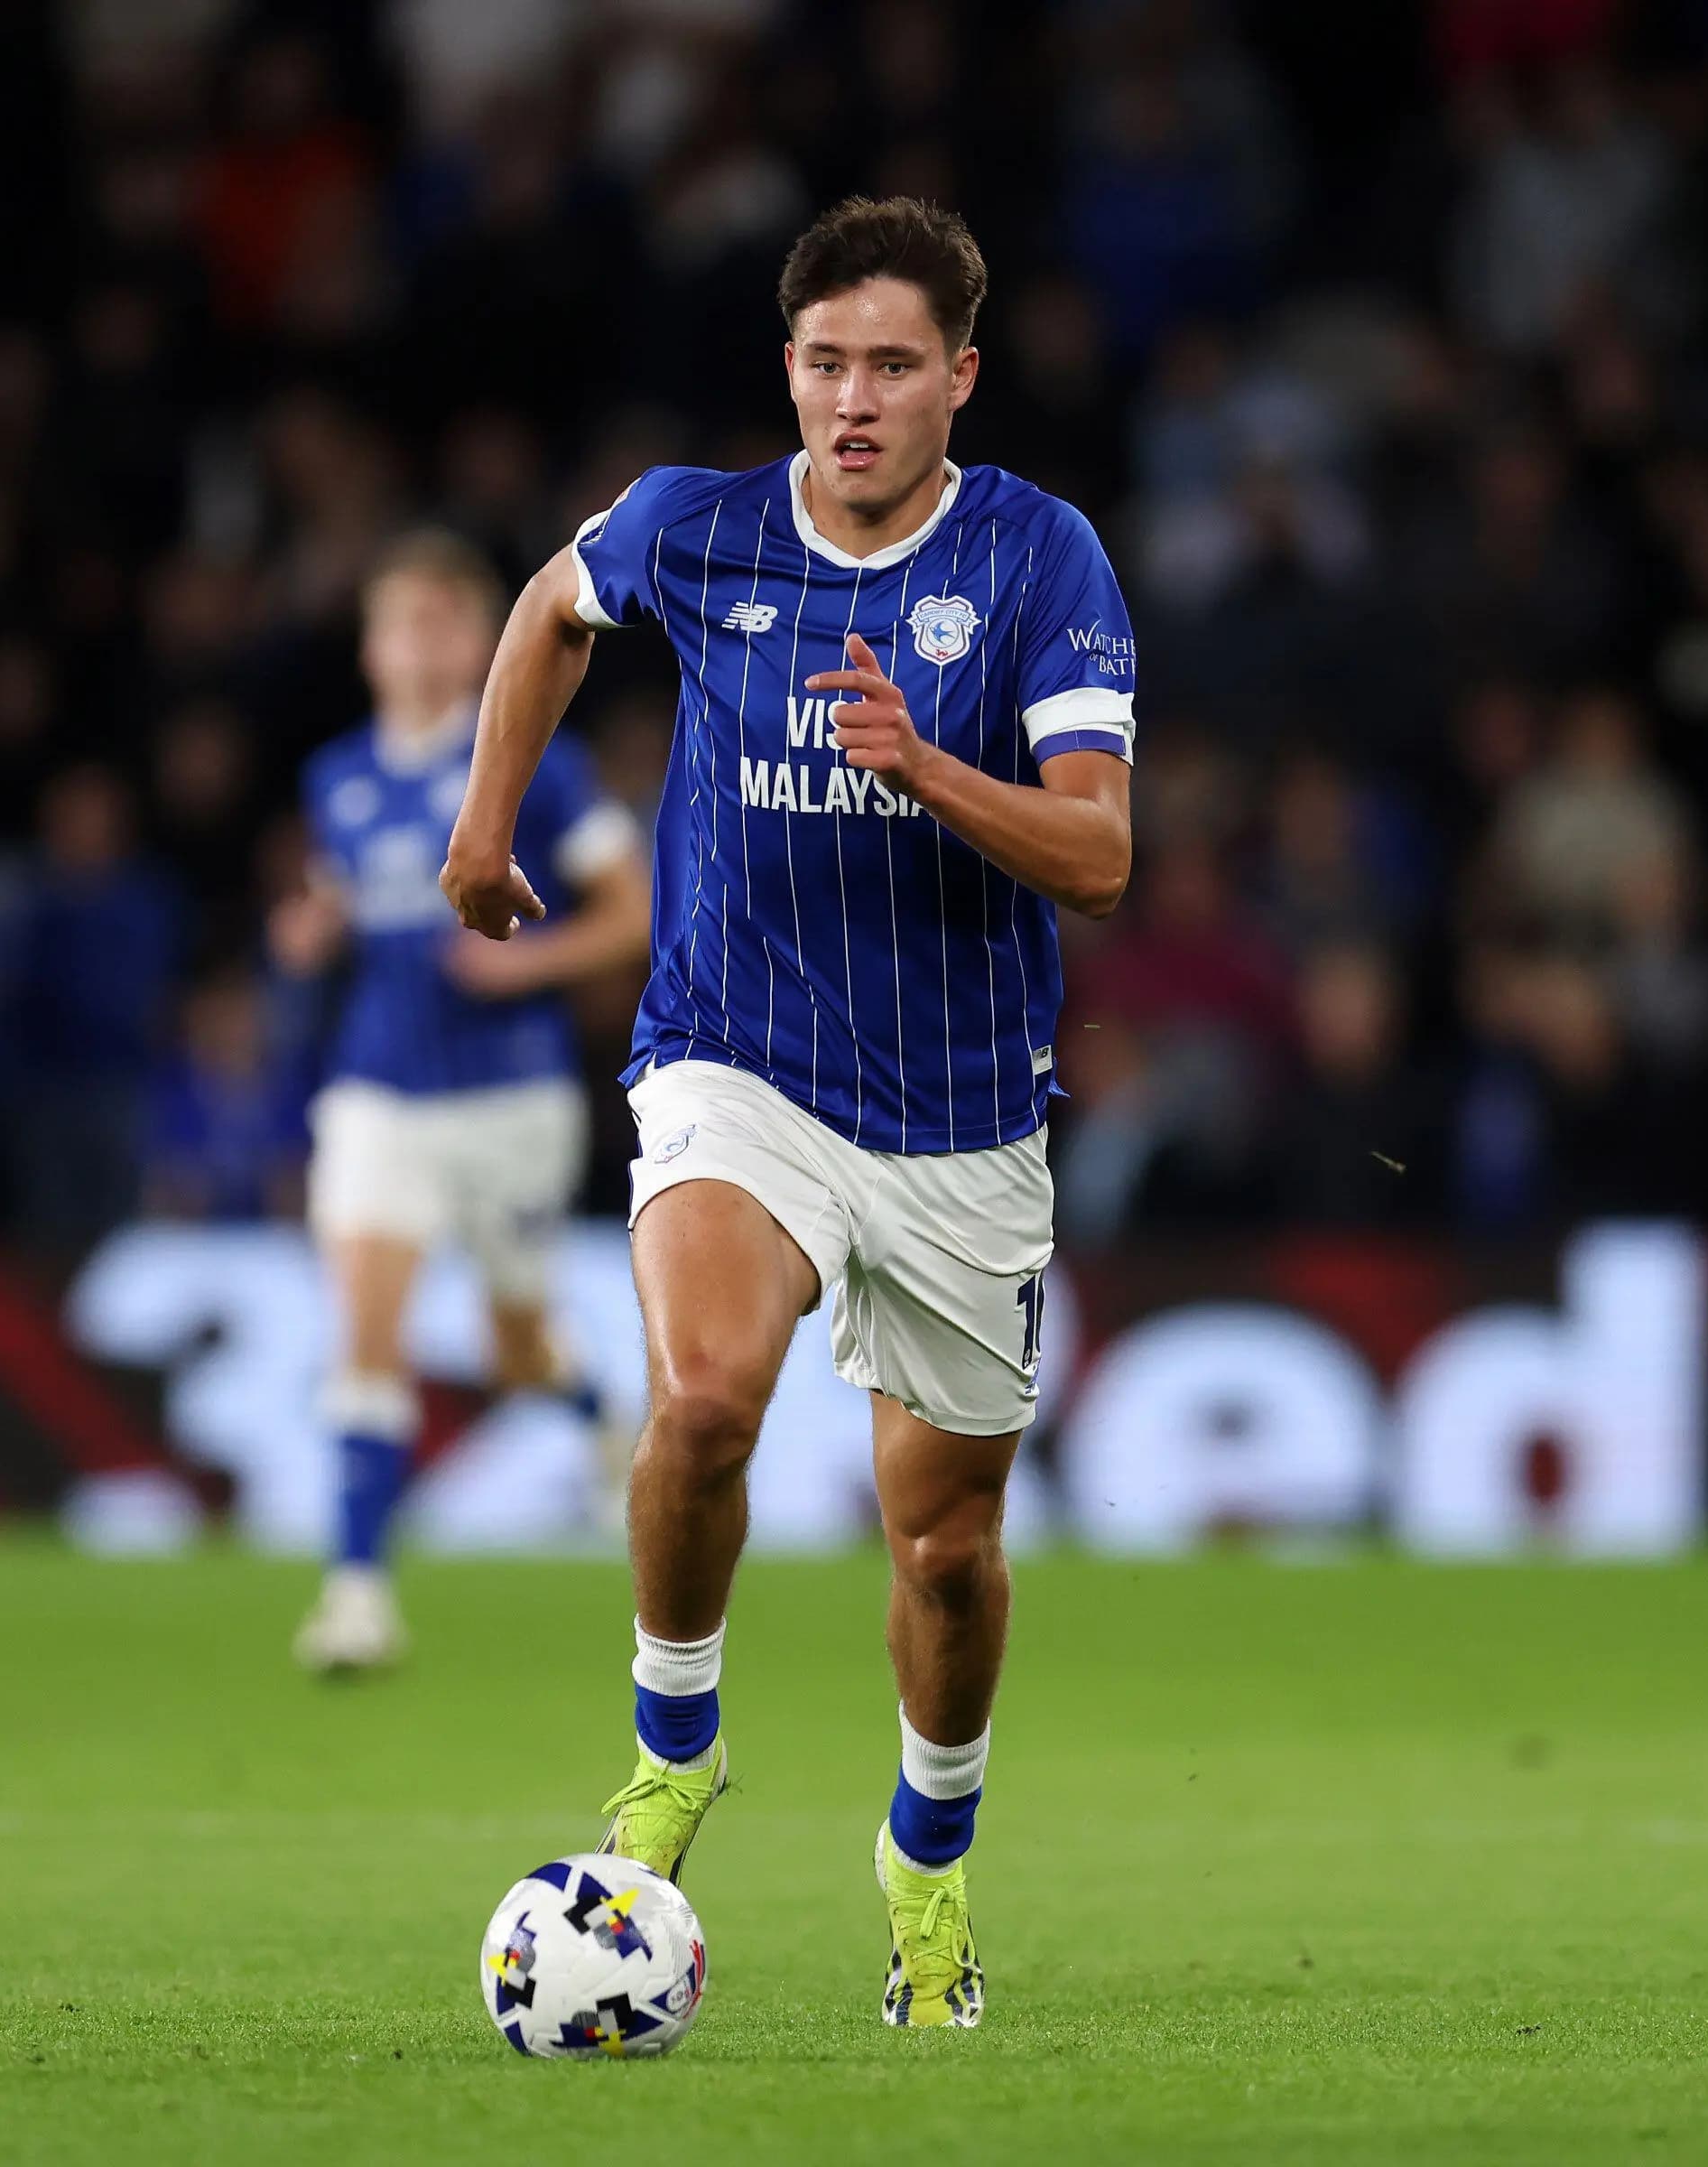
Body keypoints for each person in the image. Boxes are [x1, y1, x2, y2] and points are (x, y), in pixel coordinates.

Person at [438, 198, 1137, 2030]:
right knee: (704, 1397)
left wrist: (927, 767)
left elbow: (1101, 852)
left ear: (959, 381)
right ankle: (675, 1750)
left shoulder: (1042, 560)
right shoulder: (701, 522)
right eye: (826, 362)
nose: (855, 397)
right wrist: (485, 825)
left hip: (965, 1122)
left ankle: (926, 1868)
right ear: (791, 372)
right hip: (731, 1062)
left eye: (894, 364)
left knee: (948, 1554)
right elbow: (546, 609)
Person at [274, 532, 650, 1672]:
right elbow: (339, 901)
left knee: (516, 1343)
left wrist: (523, 965)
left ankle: (595, 1416)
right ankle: (355, 1594)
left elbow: (633, 911)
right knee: (368, 1332)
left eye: (445, 621)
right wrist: (309, 935)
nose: (422, 643)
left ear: (485, 642)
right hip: (377, 1090)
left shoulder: (542, 763)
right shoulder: (336, 778)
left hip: (509, 1100)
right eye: (403, 623)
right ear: (371, 648)